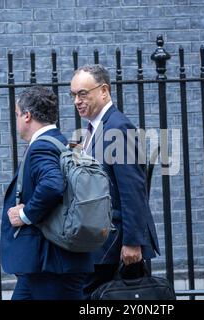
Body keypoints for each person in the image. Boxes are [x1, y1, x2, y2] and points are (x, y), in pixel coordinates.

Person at [70, 64, 160, 298]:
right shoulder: (95, 128)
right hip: (99, 244)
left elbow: (133, 190)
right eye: (73, 95)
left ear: (104, 91)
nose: (77, 101)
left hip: (116, 245)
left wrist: (132, 242)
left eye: (83, 93)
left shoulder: (118, 127)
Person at [0, 85, 93, 300]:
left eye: (16, 114)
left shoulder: (41, 146)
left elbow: (52, 185)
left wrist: (25, 215)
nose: (16, 120)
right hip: (43, 264)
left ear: (27, 116)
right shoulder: (59, 141)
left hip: (51, 264)